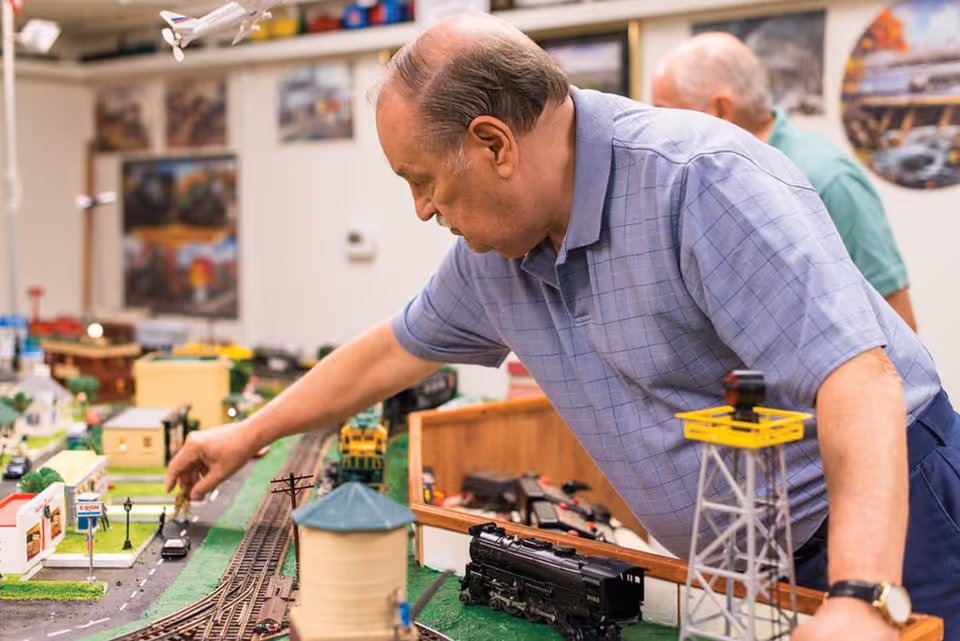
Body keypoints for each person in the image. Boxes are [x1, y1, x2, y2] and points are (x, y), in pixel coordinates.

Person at [166, 14, 960, 640]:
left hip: (891, 523)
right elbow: (392, 349)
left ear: (493, 144)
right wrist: (250, 433)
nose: (422, 210)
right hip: (742, 558)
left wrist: (862, 592)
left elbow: (859, 378)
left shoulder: (703, 182)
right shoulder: (495, 255)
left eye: (422, 180)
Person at [650, 32, 918, 331]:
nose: (657, 127)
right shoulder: (696, 179)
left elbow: (896, 319)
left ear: (721, 110)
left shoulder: (827, 178)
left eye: (663, 110)